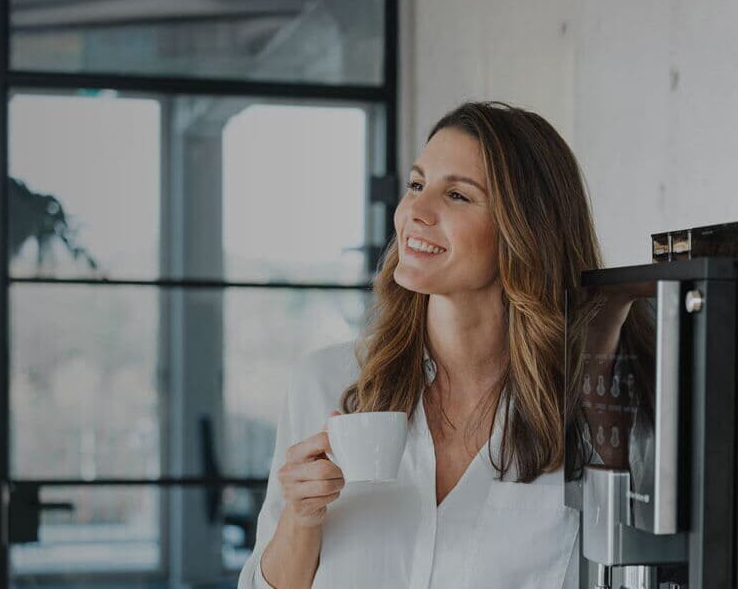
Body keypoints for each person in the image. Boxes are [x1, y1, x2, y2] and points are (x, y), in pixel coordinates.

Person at [240, 102, 611, 588]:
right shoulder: (326, 384)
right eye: (417, 185)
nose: (415, 211)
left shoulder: (589, 408)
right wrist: (301, 518)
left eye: (457, 195)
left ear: (524, 230)